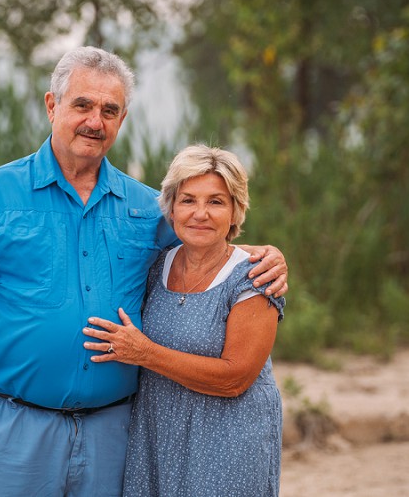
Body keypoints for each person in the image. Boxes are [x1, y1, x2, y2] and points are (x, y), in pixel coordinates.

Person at [0, 46, 288, 497]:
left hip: (114, 436)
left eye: (109, 110)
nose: (95, 121)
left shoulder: (145, 207)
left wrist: (262, 254)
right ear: (52, 105)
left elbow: (205, 238)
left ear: (122, 119)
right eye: (82, 105)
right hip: (11, 431)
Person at [82, 145, 285, 497]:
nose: (200, 214)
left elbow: (234, 378)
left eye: (216, 202)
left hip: (228, 441)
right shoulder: (157, 265)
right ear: (171, 209)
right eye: (188, 200)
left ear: (236, 211)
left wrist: (145, 353)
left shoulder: (255, 278)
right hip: (158, 433)